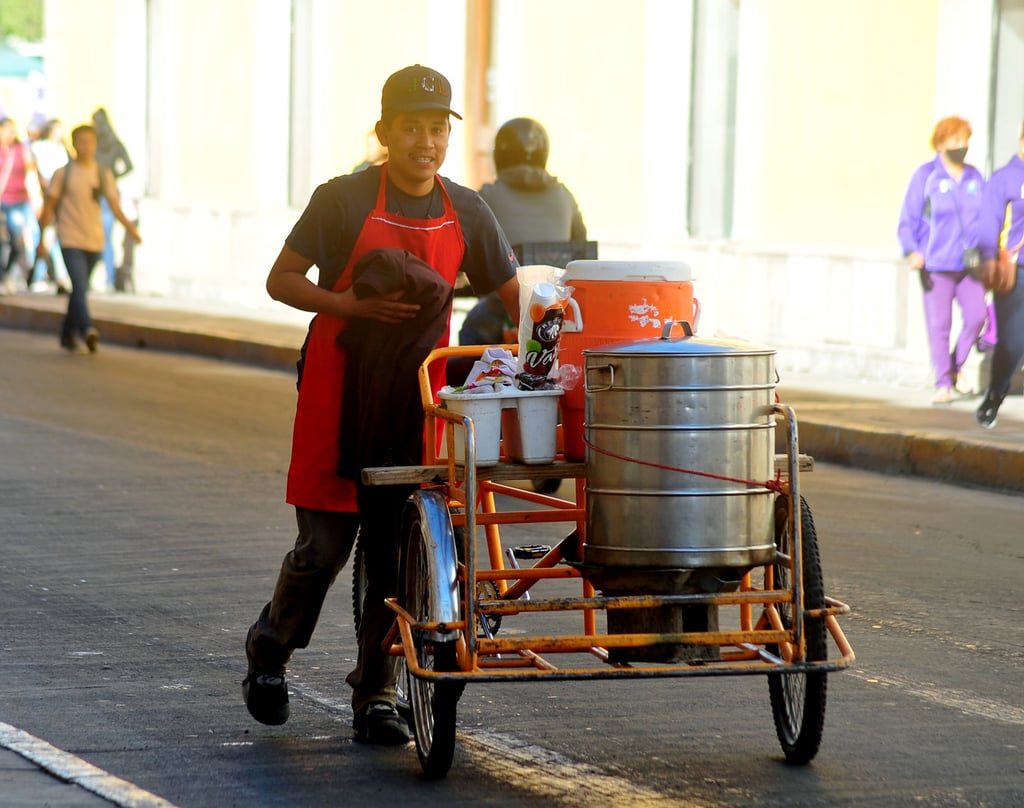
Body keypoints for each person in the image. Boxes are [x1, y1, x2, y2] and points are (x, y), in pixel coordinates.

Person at [242, 65, 520, 745]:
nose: (426, 142)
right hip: (339, 390)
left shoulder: (470, 211)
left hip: (416, 401)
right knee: (326, 547)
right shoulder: (340, 200)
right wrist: (347, 304)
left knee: (396, 552)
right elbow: (280, 279)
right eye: (412, 128)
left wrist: (531, 358)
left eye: (437, 129)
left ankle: (376, 692)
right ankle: (271, 646)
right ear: (386, 132)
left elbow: (518, 302)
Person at [449, 118, 586, 384]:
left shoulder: (487, 196)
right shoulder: (564, 196)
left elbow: (463, 257)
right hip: (553, 313)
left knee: (470, 333)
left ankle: (469, 399)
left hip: (501, 308)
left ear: (500, 154)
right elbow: (580, 248)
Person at [898, 116, 988, 404]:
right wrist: (912, 250)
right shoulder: (926, 177)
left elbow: (988, 216)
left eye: (965, 141)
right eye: (955, 140)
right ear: (941, 142)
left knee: (977, 317)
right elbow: (908, 219)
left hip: (969, 264)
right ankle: (943, 383)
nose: (961, 146)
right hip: (935, 263)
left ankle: (953, 369)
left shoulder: (974, 177)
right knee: (940, 325)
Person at [35, 124, 141, 353]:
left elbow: (114, 206)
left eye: (91, 142)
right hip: (70, 237)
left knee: (79, 290)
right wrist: (41, 240)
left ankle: (67, 333)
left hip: (94, 239)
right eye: (82, 142)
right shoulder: (64, 174)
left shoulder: (103, 174)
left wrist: (130, 229)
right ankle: (87, 329)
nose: (87, 147)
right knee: (80, 285)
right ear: (74, 145)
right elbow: (49, 207)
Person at [975, 124, 1024, 428]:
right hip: (1015, 273)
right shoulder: (1005, 178)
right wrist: (988, 260)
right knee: (1013, 341)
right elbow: (988, 224)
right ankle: (996, 392)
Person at [92, 108, 133, 290]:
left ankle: (106, 278)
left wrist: (113, 175)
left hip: (100, 193)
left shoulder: (96, 144)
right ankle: (106, 278)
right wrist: (115, 174)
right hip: (103, 192)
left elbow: (129, 166)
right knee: (103, 237)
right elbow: (129, 166)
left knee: (101, 236)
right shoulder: (110, 143)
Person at [0, 117, 43, 296]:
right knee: (6, 241)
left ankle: (14, 274)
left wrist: (36, 198)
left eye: (13, 130)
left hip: (21, 200)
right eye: (7, 130)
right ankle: (4, 276)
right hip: (4, 201)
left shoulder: (21, 150)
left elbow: (31, 172)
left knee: (27, 237)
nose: (11, 134)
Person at [29, 118, 72, 293]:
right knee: (42, 235)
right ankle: (40, 274)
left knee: (51, 236)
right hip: (42, 196)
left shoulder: (63, 150)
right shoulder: (38, 148)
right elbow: (33, 172)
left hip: (58, 197)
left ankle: (54, 274)